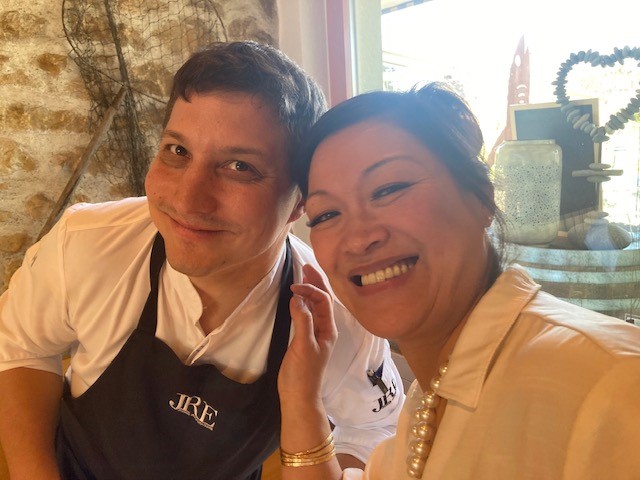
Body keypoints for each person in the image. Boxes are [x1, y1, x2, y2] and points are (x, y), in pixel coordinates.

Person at [0, 41, 404, 480]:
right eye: (178, 151)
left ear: (299, 202)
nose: (188, 201)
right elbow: (22, 347)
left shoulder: (335, 317)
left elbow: (374, 430)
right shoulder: (88, 243)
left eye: (239, 167)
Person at [278, 82, 640, 479]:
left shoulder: (611, 385)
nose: (359, 238)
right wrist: (300, 395)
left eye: (390, 188)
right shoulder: (428, 405)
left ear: (482, 197)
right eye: (327, 214)